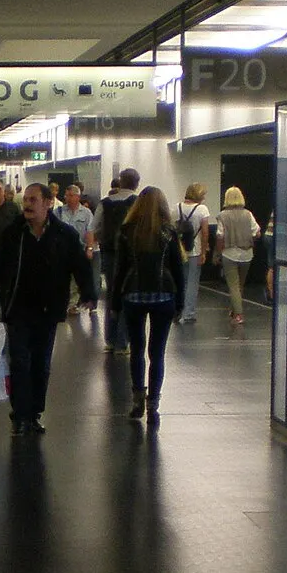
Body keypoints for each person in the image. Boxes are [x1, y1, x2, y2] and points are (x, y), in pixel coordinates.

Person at [0, 182, 96, 437]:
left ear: (48, 203)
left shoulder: (64, 235)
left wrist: (89, 292)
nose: (27, 204)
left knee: (41, 364)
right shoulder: (12, 234)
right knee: (19, 361)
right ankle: (20, 416)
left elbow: (80, 266)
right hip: (18, 307)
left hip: (48, 309)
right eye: (25, 199)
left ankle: (35, 413)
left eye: (33, 200)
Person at [113, 186, 187, 426]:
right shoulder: (169, 232)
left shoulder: (126, 232)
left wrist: (115, 301)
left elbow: (120, 269)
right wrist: (181, 302)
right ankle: (153, 401)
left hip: (133, 295)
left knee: (136, 349)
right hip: (163, 295)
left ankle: (137, 400)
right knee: (157, 353)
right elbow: (177, 269)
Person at [96, 169, 139, 353]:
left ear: (120, 182)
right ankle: (123, 342)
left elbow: (94, 227)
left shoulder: (105, 203)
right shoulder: (137, 202)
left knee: (112, 294)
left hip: (108, 253)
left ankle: (110, 340)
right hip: (130, 255)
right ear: (136, 183)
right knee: (127, 294)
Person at [218, 185, 260, 329]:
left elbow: (220, 235)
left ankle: (239, 315)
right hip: (247, 254)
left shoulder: (222, 215)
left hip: (230, 253)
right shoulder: (248, 214)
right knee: (240, 284)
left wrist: (218, 252)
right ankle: (234, 309)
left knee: (233, 285)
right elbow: (257, 233)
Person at [55, 182, 96, 314]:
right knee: (65, 279)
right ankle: (68, 303)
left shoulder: (86, 213)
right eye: (66, 195)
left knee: (79, 277)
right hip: (63, 251)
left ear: (78, 197)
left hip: (80, 250)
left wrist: (89, 249)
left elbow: (90, 231)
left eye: (71, 195)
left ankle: (78, 302)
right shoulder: (59, 212)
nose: (67, 198)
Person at [175, 183, 211, 324]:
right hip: (194, 249)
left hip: (179, 249)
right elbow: (205, 232)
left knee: (180, 281)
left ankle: (178, 310)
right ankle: (189, 312)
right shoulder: (202, 209)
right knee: (192, 282)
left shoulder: (176, 208)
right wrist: (204, 252)